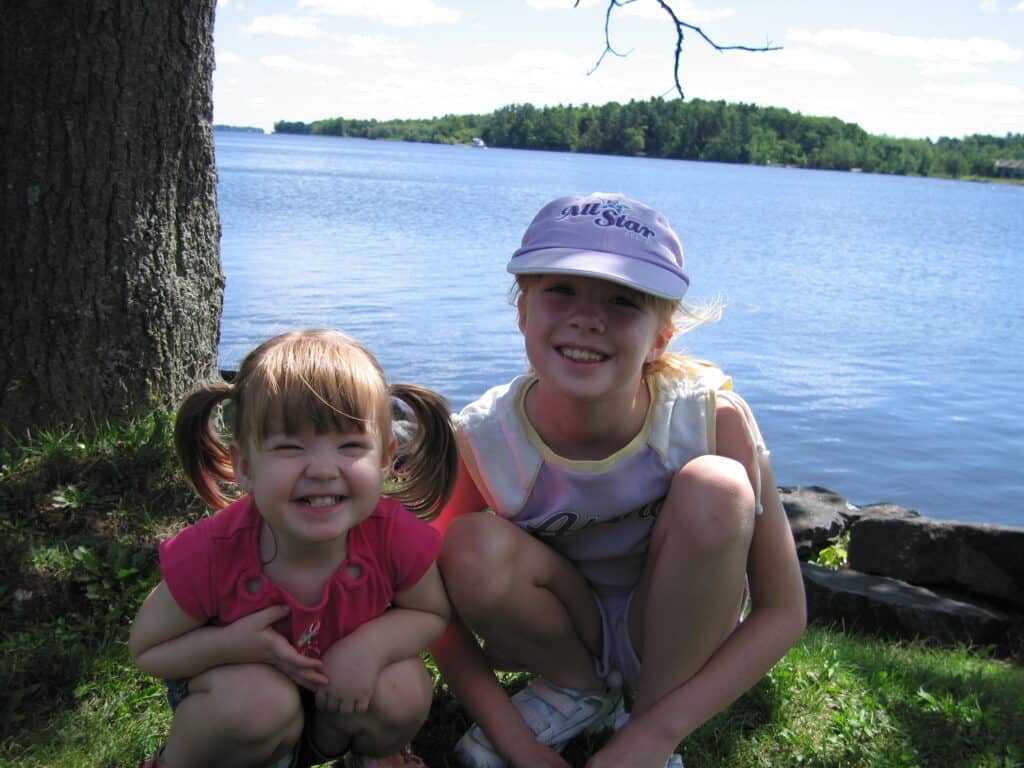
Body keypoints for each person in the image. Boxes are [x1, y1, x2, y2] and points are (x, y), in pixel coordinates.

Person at [429, 193, 807, 768]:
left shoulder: (709, 420)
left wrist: (658, 732)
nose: (587, 317)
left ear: (662, 334)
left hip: (669, 634)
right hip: (562, 625)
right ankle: (574, 689)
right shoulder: (483, 438)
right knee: (465, 544)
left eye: (623, 300)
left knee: (719, 488)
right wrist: (513, 740)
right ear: (522, 310)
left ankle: (644, 718)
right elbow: (425, 603)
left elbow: (783, 611)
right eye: (560, 290)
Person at [129, 329, 458, 768]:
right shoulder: (211, 552)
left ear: (385, 459)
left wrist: (368, 649)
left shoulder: (394, 536)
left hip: (341, 699)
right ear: (243, 466)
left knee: (403, 688)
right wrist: (233, 645)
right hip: (245, 697)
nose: (323, 470)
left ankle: (373, 754)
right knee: (258, 704)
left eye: (350, 446)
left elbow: (430, 612)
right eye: (289, 447)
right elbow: (148, 650)